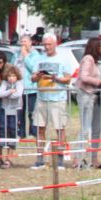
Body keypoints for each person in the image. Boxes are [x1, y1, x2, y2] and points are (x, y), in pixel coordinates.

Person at [27, 33, 73, 169]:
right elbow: (32, 78)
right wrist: (37, 76)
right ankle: (40, 159)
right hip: (41, 98)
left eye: (49, 44)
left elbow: (68, 78)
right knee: (40, 129)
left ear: (55, 44)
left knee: (59, 129)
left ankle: (59, 160)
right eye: (45, 44)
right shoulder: (38, 59)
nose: (47, 47)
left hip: (57, 98)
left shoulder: (63, 59)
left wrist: (56, 79)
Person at [76, 37, 101, 169]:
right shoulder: (88, 58)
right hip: (85, 95)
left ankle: (93, 158)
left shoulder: (95, 61)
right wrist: (99, 82)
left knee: (96, 129)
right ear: (96, 47)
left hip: (93, 96)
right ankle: (78, 159)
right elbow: (83, 76)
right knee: (85, 128)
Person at [0, 64, 23, 168]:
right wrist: (10, 91)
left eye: (13, 76)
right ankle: (3, 142)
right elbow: (0, 94)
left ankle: (12, 144)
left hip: (16, 109)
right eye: (9, 76)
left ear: (17, 77)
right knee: (3, 126)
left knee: (13, 127)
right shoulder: (4, 83)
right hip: (5, 108)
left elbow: (18, 94)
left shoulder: (19, 83)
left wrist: (8, 94)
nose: (11, 78)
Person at [15, 35, 38, 138]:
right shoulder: (16, 54)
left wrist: (25, 55)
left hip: (31, 88)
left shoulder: (35, 54)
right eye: (21, 42)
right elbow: (13, 66)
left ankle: (33, 132)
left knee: (31, 112)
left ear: (30, 43)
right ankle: (21, 133)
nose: (23, 44)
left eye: (25, 42)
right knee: (20, 112)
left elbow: (34, 68)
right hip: (18, 88)